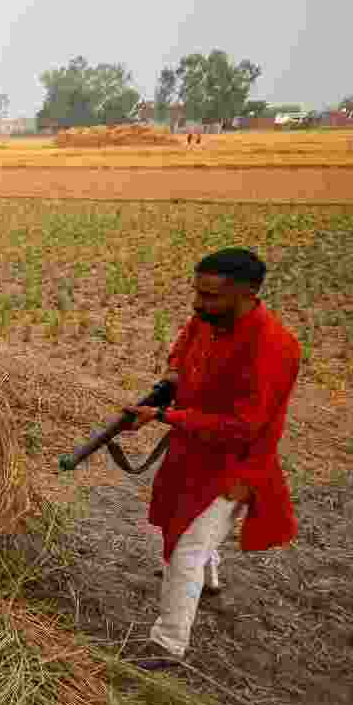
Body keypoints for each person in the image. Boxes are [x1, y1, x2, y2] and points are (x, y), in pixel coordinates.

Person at [124, 248, 300, 671]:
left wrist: (165, 415)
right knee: (183, 523)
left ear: (249, 293)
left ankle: (167, 644)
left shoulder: (273, 347)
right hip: (193, 451)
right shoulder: (208, 321)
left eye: (212, 296)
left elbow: (243, 427)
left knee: (186, 546)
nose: (199, 305)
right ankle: (209, 579)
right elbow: (182, 351)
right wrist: (168, 382)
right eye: (198, 293)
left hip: (235, 463)